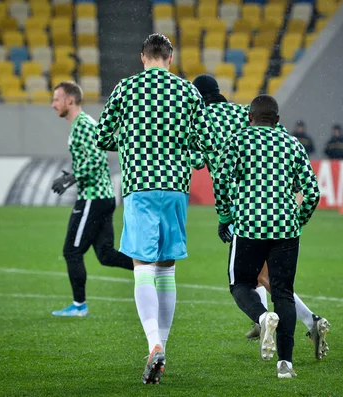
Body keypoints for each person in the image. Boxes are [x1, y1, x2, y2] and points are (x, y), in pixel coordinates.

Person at [96, 34, 219, 385]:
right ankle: (161, 345)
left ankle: (153, 344)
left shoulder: (126, 88)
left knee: (141, 265)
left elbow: (103, 136)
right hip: (176, 189)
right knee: (166, 269)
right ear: (170, 57)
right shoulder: (188, 92)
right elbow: (206, 142)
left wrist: (134, 138)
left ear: (143, 57)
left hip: (141, 186)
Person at [191, 75, 330, 360]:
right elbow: (270, 132)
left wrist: (224, 214)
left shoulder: (200, 120)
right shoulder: (243, 111)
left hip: (243, 207)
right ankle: (287, 323)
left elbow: (196, 162)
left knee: (250, 278)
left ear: (197, 95)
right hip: (274, 203)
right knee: (269, 277)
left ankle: (278, 318)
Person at [214, 95, 321, 379]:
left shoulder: (237, 141)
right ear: (277, 120)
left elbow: (221, 180)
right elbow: (313, 193)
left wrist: (225, 217)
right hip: (286, 230)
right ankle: (285, 364)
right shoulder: (293, 144)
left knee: (240, 284)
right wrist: (298, 219)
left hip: (250, 226)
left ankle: (262, 317)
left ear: (250, 117)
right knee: (283, 293)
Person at [49, 81, 134, 317]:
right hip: (103, 196)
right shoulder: (80, 125)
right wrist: (72, 176)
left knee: (72, 252)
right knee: (105, 255)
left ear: (70, 100)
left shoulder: (84, 125)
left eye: (57, 99)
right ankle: (149, 271)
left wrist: (72, 178)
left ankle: (79, 306)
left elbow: (98, 159)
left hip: (92, 197)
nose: (53, 104)